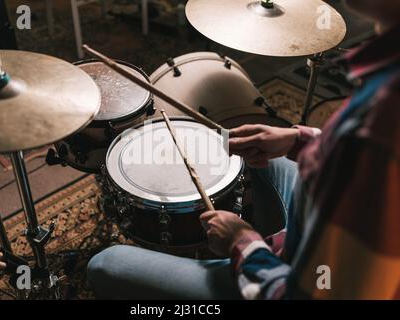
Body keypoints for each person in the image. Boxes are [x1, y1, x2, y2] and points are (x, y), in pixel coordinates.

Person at [87, 0, 400, 299]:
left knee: (106, 265)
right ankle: (269, 245)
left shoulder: (375, 128)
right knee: (263, 160)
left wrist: (242, 243)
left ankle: (255, 260)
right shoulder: (383, 84)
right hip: (312, 241)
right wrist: (298, 140)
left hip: (290, 281)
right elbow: (354, 166)